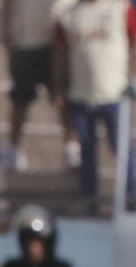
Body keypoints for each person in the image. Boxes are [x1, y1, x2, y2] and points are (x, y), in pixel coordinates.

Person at [53, 0, 136, 208]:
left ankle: (132, 195)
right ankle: (89, 197)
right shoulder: (68, 14)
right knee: (87, 147)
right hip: (81, 94)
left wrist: (133, 77)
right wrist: (58, 87)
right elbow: (59, 52)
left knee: (121, 145)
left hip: (114, 93)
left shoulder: (121, 8)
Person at [2, 0, 79, 171]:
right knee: (20, 99)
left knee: (63, 100)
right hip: (26, 44)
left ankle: (71, 150)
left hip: (59, 45)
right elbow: (6, 5)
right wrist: (7, 35)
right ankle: (13, 150)